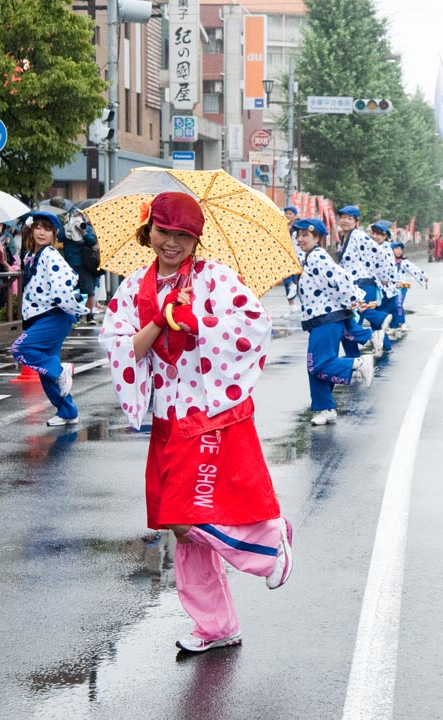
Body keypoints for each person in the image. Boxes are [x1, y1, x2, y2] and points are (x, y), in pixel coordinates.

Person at [98, 192, 294, 653]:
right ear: (148, 231)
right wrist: (162, 320)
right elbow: (124, 348)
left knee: (187, 519)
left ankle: (268, 545)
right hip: (167, 417)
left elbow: (253, 325)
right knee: (182, 531)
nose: (172, 243)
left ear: (196, 240)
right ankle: (216, 624)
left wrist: (197, 321)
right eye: (164, 232)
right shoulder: (132, 289)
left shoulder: (216, 278)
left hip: (207, 414)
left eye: (183, 236)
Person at [293, 218, 375, 425]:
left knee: (319, 364)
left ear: (317, 237)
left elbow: (341, 279)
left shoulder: (318, 257)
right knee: (314, 366)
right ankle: (325, 408)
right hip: (320, 319)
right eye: (299, 235)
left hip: (326, 319)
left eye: (305, 235)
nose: (300, 239)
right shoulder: (309, 257)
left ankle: (358, 363)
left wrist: (355, 300)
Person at [10, 212, 87, 425]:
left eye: (47, 229)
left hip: (54, 316)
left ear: (54, 234)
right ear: (31, 231)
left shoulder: (50, 255)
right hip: (43, 317)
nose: (42, 233)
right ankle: (67, 412)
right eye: (38, 228)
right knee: (46, 370)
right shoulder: (33, 256)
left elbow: (65, 282)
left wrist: (73, 308)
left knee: (20, 349)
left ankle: (62, 370)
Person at [335, 205, 379, 357]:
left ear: (356, 222)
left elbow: (379, 253)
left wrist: (385, 279)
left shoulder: (358, 235)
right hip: (351, 288)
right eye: (343, 217)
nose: (345, 221)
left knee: (350, 327)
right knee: (348, 327)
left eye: (350, 218)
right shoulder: (343, 238)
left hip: (362, 286)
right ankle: (356, 361)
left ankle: (370, 339)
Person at [60, 208, 101, 324]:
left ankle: (90, 315)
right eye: (75, 215)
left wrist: (84, 233)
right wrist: (66, 224)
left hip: (85, 264)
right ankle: (74, 315)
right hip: (71, 263)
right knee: (71, 290)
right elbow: (59, 237)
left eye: (79, 215)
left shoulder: (86, 228)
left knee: (89, 290)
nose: (77, 218)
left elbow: (92, 241)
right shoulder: (67, 228)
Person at [367, 220, 399, 349]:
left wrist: (384, 278)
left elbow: (389, 268)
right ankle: (384, 347)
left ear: (385, 236)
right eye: (373, 233)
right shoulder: (373, 247)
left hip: (387, 292)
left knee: (378, 321)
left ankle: (384, 347)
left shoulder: (385, 248)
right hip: (379, 290)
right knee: (377, 323)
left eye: (379, 234)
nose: (375, 236)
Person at [390, 240, 427, 332]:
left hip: (402, 287)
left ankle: (402, 323)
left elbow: (414, 269)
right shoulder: (387, 262)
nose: (399, 251)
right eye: (396, 249)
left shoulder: (403, 262)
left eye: (400, 249)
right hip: (390, 288)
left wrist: (424, 276)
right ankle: (393, 325)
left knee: (398, 304)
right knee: (391, 306)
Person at [281, 205, 301, 317]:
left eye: (290, 214)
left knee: (297, 281)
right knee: (287, 282)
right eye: (286, 213)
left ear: (295, 215)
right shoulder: (282, 226)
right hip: (285, 256)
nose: (288, 215)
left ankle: (302, 306)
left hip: (296, 256)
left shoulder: (298, 227)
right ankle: (292, 306)